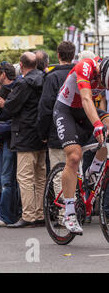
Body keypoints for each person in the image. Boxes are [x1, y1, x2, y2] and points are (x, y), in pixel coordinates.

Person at [52, 56, 109, 234]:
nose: (101, 86)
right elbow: (85, 99)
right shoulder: (85, 66)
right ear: (101, 72)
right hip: (66, 109)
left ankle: (93, 171)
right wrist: (97, 124)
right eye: (102, 83)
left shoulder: (104, 75)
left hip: (85, 111)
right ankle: (69, 212)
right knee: (74, 156)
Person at [0, 52, 47, 228]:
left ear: (21, 65)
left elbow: (12, 107)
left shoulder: (23, 83)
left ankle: (28, 216)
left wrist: (3, 104)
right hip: (42, 133)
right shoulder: (45, 78)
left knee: (24, 178)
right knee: (41, 177)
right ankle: (40, 214)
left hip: (24, 134)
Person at [0, 62, 21, 227]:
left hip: (11, 139)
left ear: (3, 74)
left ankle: (7, 216)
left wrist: (4, 105)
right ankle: (11, 214)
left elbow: (17, 113)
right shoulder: (3, 91)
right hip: (4, 139)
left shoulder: (16, 90)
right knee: (4, 180)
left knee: (7, 179)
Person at [37, 41, 76, 170]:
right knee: (76, 173)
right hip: (78, 133)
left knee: (59, 173)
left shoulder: (52, 77)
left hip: (57, 133)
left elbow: (46, 107)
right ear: (73, 55)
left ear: (58, 55)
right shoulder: (79, 75)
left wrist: (43, 134)